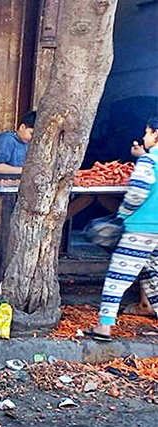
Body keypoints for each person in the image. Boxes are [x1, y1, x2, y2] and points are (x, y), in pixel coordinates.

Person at [88, 117, 158, 340]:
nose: (145, 137)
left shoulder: (149, 162)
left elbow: (137, 193)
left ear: (156, 134)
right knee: (153, 275)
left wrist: (123, 214)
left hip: (141, 228)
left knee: (118, 276)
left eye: (147, 133)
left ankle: (104, 327)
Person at [0, 111, 36, 179]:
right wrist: (23, 170)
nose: (32, 138)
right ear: (22, 127)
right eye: (31, 134)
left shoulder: (29, 143)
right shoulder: (7, 140)